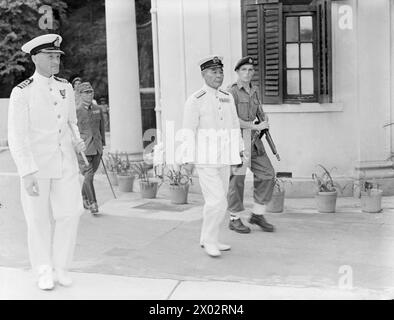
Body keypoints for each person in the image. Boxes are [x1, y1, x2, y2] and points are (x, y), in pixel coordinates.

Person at [8, 34, 86, 290]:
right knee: (37, 219)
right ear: (35, 58)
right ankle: (43, 268)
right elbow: (17, 136)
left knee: (70, 213)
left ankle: (61, 266)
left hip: (65, 162)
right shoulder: (22, 92)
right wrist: (26, 171)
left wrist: (77, 141)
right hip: (37, 164)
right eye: (51, 56)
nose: (56, 60)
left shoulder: (65, 87)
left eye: (58, 56)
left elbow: (71, 122)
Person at [181, 55, 244, 257]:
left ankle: (209, 238)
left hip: (224, 158)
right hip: (205, 159)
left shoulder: (227, 96)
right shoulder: (195, 99)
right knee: (217, 202)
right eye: (213, 72)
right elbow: (188, 130)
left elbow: (234, 125)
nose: (218, 75)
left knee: (219, 200)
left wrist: (239, 151)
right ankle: (209, 241)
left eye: (220, 72)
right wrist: (187, 158)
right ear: (203, 74)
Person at [227, 56, 276, 234]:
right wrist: (255, 125)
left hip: (254, 140)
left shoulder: (254, 90)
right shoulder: (230, 93)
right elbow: (232, 120)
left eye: (250, 70)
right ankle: (234, 218)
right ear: (237, 72)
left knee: (267, 174)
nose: (247, 73)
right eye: (243, 70)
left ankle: (257, 214)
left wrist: (264, 120)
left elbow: (259, 113)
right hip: (238, 140)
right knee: (237, 180)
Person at [75, 82, 106, 215]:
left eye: (91, 91)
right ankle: (93, 203)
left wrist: (102, 144)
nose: (89, 93)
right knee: (88, 175)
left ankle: (83, 197)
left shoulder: (98, 108)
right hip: (84, 149)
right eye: (86, 92)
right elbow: (72, 130)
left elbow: (102, 128)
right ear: (80, 94)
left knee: (90, 176)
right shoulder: (76, 111)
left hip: (97, 148)